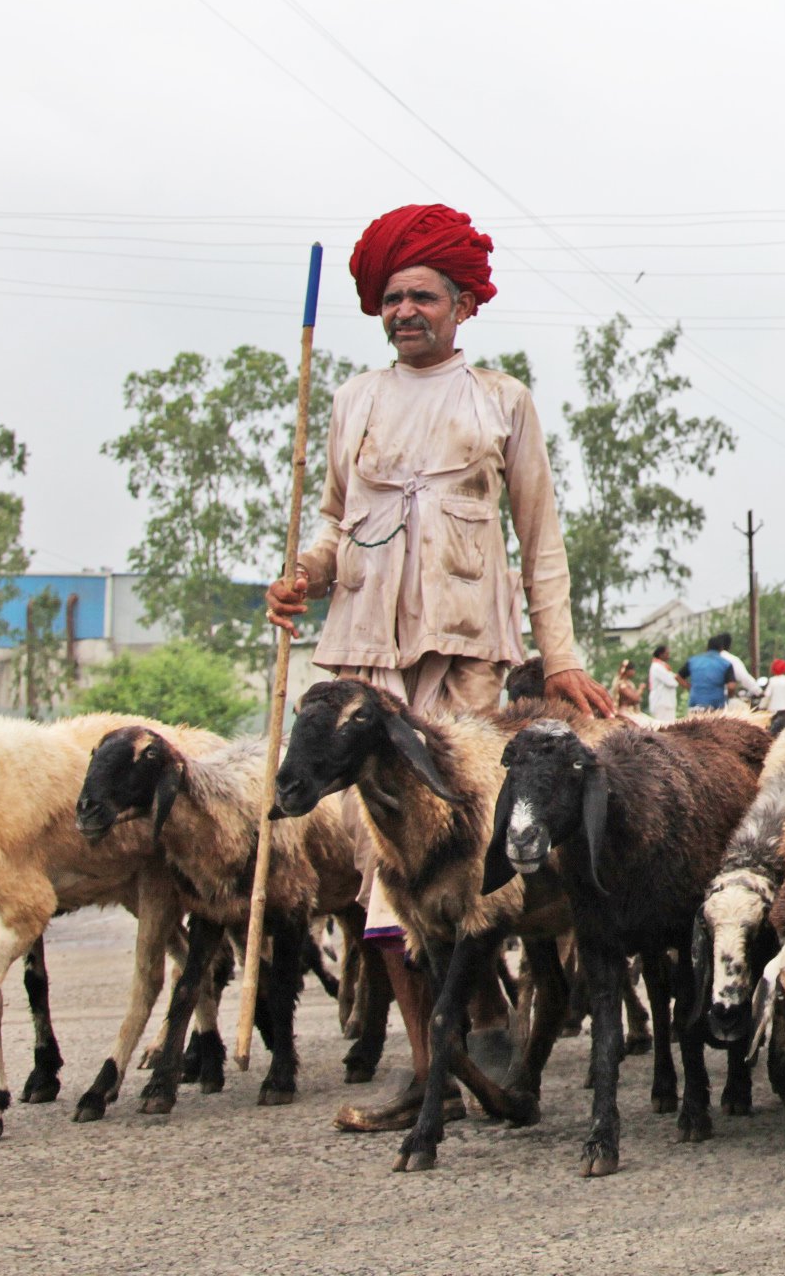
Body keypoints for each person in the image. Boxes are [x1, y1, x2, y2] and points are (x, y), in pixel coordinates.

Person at [263, 201, 612, 1134]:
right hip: (367, 658)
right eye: (390, 296)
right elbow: (335, 527)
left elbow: (540, 543)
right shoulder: (355, 401)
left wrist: (563, 662)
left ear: (463, 303)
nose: (404, 309)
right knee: (389, 859)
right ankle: (430, 1065)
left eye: (422, 294)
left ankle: (485, 1015)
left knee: (464, 841)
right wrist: (301, 575)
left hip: (466, 655)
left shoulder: (502, 401)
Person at [682, 631, 759, 710]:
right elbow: (733, 685)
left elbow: (678, 676)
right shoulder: (727, 662)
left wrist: (691, 688)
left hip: (694, 704)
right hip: (715, 706)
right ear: (721, 648)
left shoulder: (693, 661)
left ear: (707, 647)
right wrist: (730, 698)